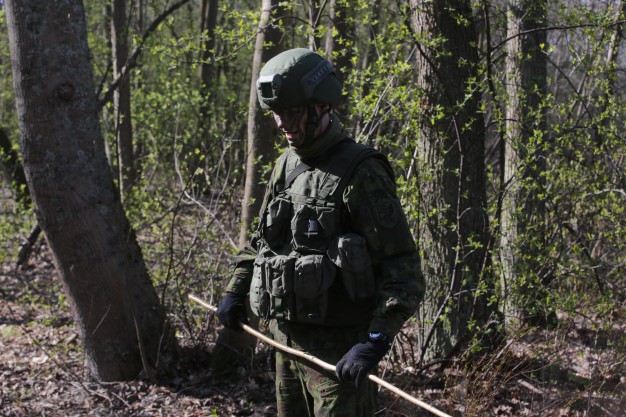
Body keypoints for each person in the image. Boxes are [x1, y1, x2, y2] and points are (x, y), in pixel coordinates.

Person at [217, 48, 425, 417]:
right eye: (277, 113)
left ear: (321, 106)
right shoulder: (285, 164)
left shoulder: (362, 171)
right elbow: (261, 241)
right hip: (286, 344)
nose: (283, 123)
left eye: (293, 112)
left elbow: (402, 267)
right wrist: (236, 290)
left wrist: (375, 340)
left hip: (339, 357)